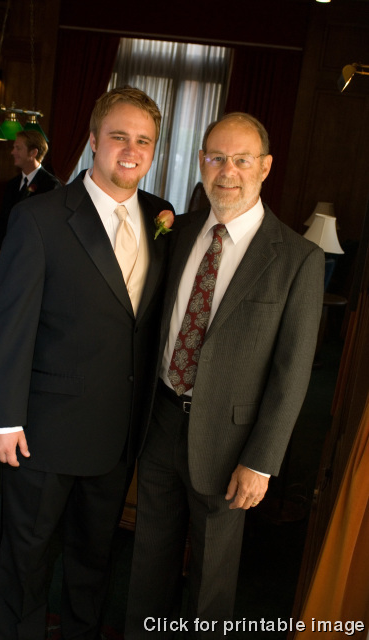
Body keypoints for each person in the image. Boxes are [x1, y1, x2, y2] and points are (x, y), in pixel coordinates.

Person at [0, 86, 174, 640]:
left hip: (118, 433)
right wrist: (2, 419)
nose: (131, 150)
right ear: (93, 140)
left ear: (154, 150)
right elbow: (10, 325)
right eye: (119, 137)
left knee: (93, 563)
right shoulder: (39, 217)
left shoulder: (161, 217)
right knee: (27, 560)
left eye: (144, 141)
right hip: (42, 431)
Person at [125, 112, 325, 639]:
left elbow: (292, 373)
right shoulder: (178, 231)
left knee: (211, 580)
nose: (227, 171)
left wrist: (260, 461)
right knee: (149, 560)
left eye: (241, 160)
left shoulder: (298, 259)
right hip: (161, 421)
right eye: (217, 158)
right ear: (201, 162)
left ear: (265, 167)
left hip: (230, 442)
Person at [0, 130, 61, 255]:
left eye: (18, 148)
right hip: (8, 251)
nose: (12, 152)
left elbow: (49, 227)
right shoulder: (12, 184)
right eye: (14, 147)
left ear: (33, 153)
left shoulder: (51, 186)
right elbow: (3, 219)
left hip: (33, 253)